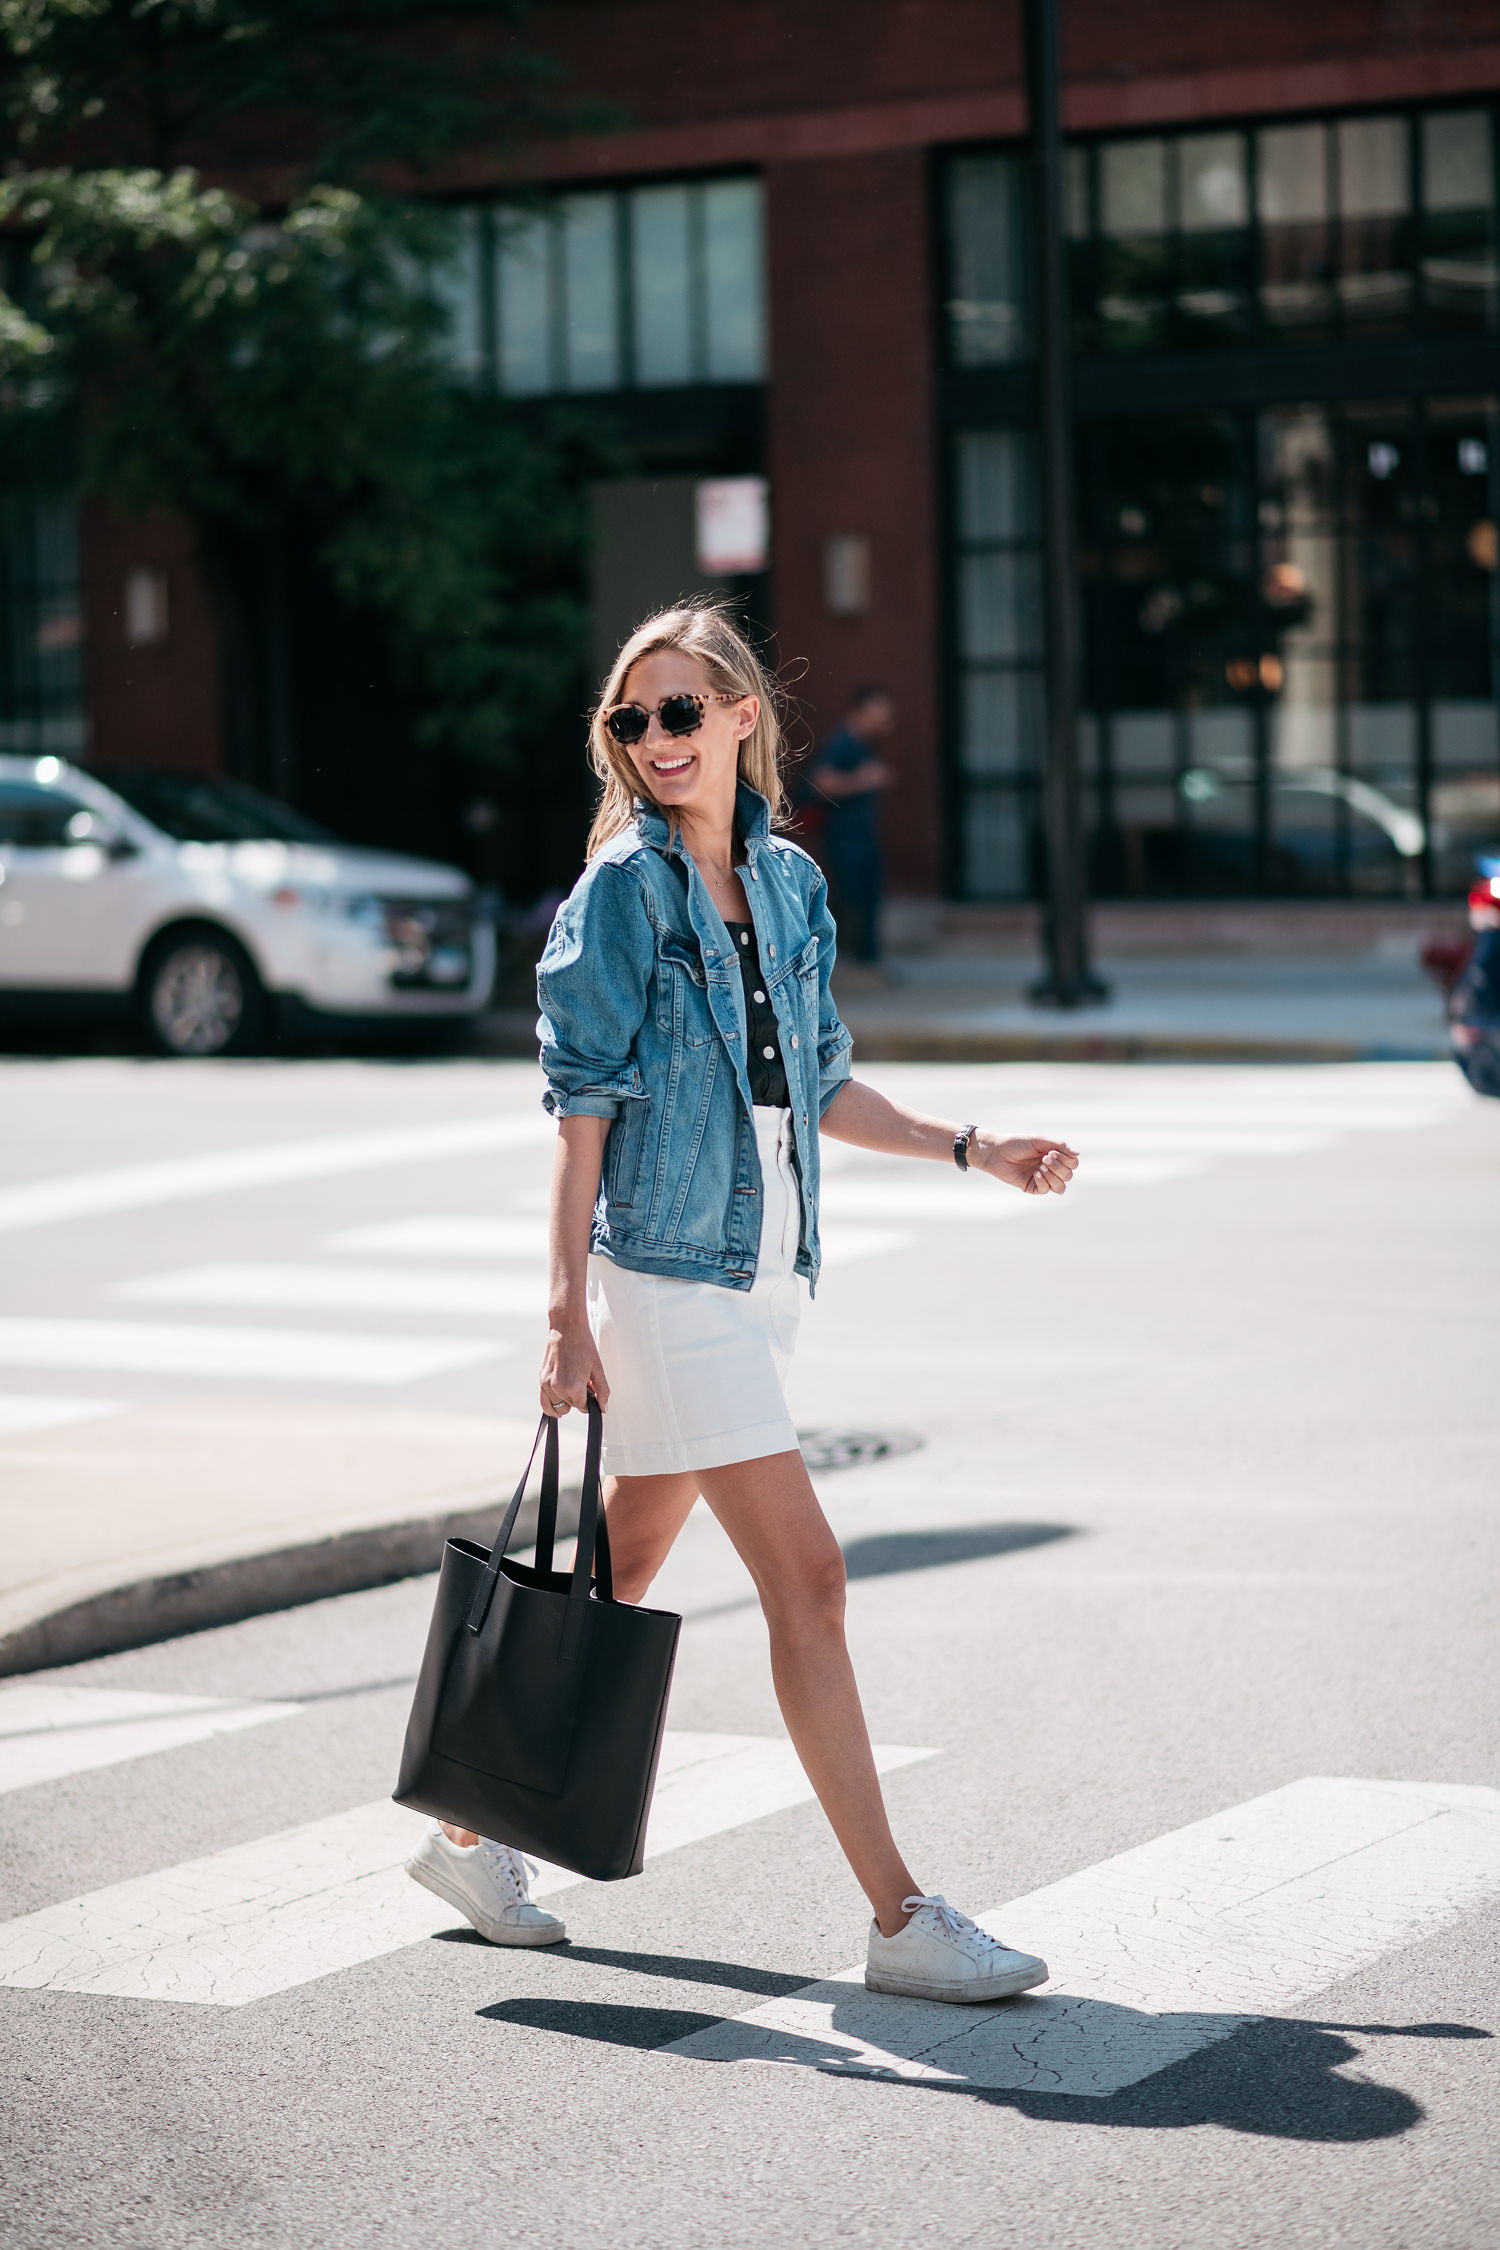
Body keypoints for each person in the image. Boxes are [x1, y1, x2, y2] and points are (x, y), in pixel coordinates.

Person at [406, 602, 1079, 2001]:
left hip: (762, 1269)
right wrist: (561, 1314)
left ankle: (468, 1826)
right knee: (810, 1579)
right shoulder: (618, 897)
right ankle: (899, 1918)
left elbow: (821, 1083)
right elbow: (578, 1110)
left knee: (620, 1568)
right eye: (629, 719)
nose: (654, 738)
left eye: (678, 711)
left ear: (739, 717)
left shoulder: (789, 885)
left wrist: (972, 1145)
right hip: (660, 1274)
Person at [806, 684, 898, 966]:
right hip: (843, 836)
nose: (882, 723)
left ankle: (866, 958)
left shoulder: (865, 745)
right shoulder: (841, 743)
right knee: (848, 897)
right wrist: (864, 780)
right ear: (856, 713)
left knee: (869, 895)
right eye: (876, 715)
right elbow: (821, 781)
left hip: (862, 835)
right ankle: (844, 958)